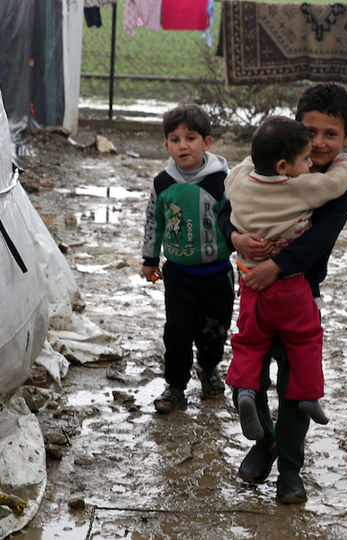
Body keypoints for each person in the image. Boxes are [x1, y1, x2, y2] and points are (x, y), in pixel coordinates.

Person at [218, 82, 347, 504]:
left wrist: (274, 267)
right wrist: (235, 238)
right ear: (296, 128)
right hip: (255, 292)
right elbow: (228, 209)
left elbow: (318, 243)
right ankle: (265, 444)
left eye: (330, 135)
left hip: (299, 292)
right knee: (249, 375)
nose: (318, 143)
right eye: (309, 130)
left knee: (297, 385)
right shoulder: (266, 163)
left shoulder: (337, 189)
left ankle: (290, 469)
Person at [141, 103, 234, 414]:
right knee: (177, 332)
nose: (183, 145)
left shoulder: (222, 181)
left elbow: (239, 218)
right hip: (178, 274)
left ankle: (208, 370)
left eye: (191, 137)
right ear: (167, 145)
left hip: (217, 273)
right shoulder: (163, 183)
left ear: (206, 143)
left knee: (214, 331)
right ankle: (176, 387)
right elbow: (154, 220)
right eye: (175, 139)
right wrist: (150, 259)